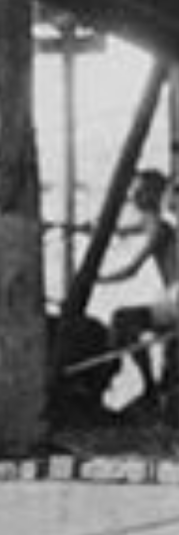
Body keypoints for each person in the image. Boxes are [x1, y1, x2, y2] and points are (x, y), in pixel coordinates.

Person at [101, 169, 179, 402]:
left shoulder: (161, 227)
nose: (133, 195)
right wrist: (83, 228)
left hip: (176, 297)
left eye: (139, 190)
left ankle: (146, 387)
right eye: (133, 189)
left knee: (122, 320)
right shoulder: (153, 222)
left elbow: (131, 270)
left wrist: (97, 279)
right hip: (171, 296)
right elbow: (125, 229)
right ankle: (150, 387)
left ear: (153, 195)